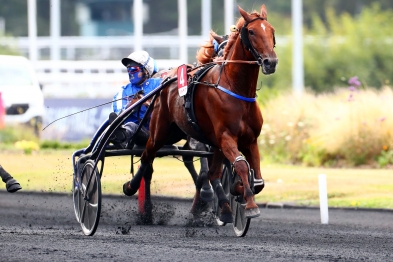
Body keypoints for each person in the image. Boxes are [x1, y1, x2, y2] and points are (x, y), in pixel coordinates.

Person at [110, 51, 162, 148]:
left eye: (134, 69)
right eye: (128, 69)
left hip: (159, 131)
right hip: (138, 134)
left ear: (146, 70)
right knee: (131, 126)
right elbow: (117, 115)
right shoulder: (123, 91)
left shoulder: (159, 84)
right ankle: (120, 137)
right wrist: (131, 105)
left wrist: (148, 104)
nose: (130, 73)